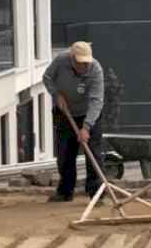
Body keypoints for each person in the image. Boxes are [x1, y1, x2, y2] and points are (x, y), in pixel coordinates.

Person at [42, 41, 105, 202]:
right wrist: (56, 94)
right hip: (65, 112)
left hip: (89, 114)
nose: (84, 66)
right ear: (72, 58)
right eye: (80, 62)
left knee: (94, 155)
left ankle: (96, 193)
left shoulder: (95, 69)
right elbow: (47, 77)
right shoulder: (60, 61)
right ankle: (65, 191)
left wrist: (86, 127)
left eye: (86, 62)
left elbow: (96, 101)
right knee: (65, 155)